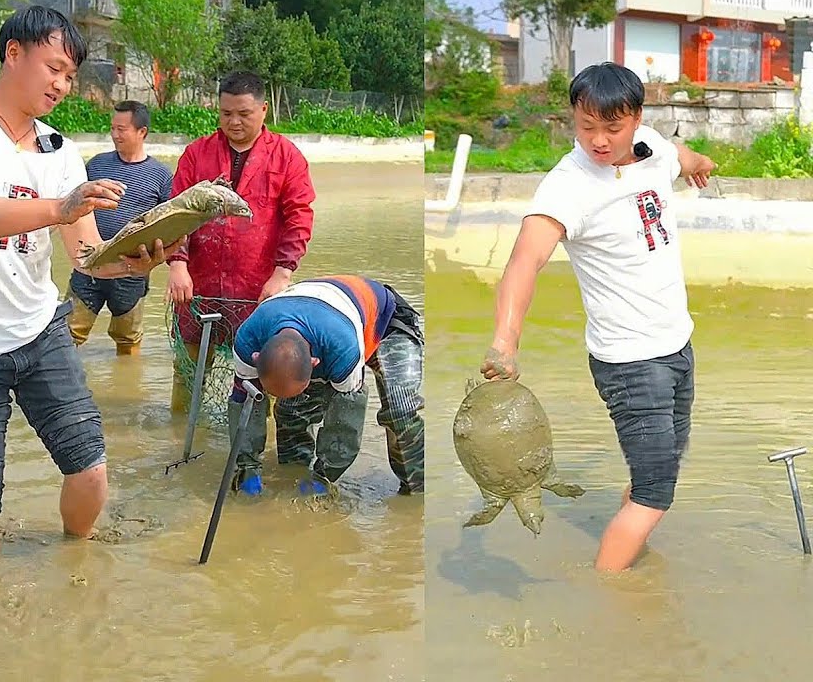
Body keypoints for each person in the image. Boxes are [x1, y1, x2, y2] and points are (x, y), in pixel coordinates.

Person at [0, 6, 184, 562]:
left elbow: (85, 253)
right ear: (14, 54)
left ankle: (75, 565)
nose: (63, 85)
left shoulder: (60, 150)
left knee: (91, 473)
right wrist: (58, 208)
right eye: (55, 69)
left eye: (70, 75)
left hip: (43, 334)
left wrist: (127, 263)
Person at [479, 62, 716, 573]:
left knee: (660, 467)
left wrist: (699, 162)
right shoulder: (568, 186)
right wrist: (505, 340)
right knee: (656, 493)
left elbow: (679, 156)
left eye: (613, 128)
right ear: (573, 119)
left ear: (636, 118)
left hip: (677, 346)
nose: (600, 141)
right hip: (630, 362)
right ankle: (607, 597)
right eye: (587, 128)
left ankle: (627, 550)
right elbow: (524, 262)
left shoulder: (651, 147)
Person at [165, 70, 316, 413]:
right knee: (187, 377)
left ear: (264, 110)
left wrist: (282, 274)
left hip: (257, 289)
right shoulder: (196, 153)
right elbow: (176, 212)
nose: (233, 122)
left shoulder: (287, 156)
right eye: (226, 113)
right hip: (198, 288)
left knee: (255, 380)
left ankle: (252, 448)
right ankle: (181, 439)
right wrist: (177, 264)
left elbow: (299, 217)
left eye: (243, 114)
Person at [228, 275, 424, 496]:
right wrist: (246, 467)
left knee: (400, 411)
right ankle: (292, 475)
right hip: (328, 318)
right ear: (256, 357)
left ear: (314, 363)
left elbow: (346, 425)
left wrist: (324, 477)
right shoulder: (247, 340)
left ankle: (416, 493)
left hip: (386, 324)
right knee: (291, 413)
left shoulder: (342, 350)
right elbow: (243, 404)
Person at [66, 100, 173, 354]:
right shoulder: (96, 165)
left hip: (131, 270)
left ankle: (128, 384)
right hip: (89, 263)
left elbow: (169, 224)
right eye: (112, 128)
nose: (114, 134)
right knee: (68, 334)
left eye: (121, 129)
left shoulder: (161, 175)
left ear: (142, 132)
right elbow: (72, 207)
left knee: (128, 339)